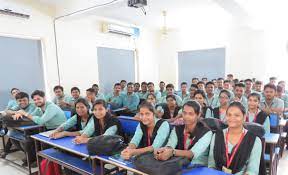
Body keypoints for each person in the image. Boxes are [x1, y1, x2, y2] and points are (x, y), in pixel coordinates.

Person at [208, 102, 262, 175]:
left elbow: (252, 171)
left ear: (244, 116)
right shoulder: (217, 135)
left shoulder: (254, 140)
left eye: (237, 115)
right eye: (229, 115)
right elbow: (211, 164)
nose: (232, 118)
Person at [154, 101, 212, 166]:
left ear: (198, 115)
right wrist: (164, 151)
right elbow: (170, 145)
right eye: (184, 113)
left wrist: (172, 152)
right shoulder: (177, 129)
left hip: (198, 166)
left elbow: (192, 154)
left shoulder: (206, 132)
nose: (186, 116)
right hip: (179, 164)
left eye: (191, 114)